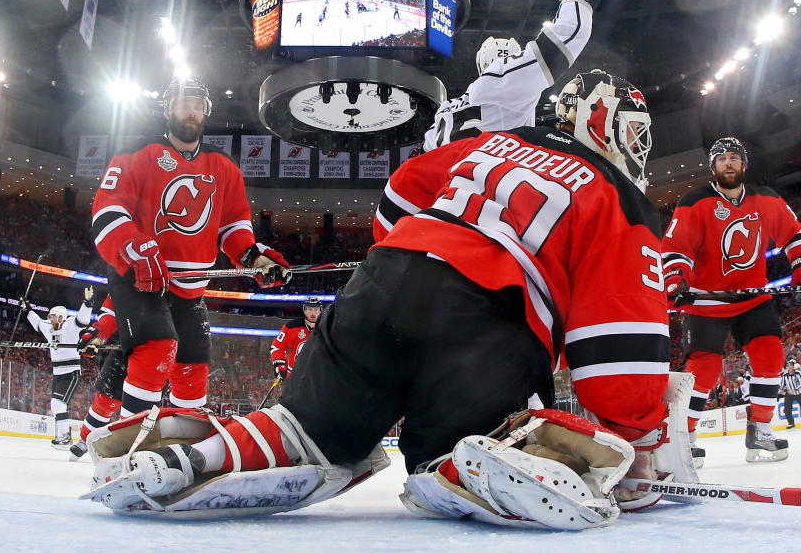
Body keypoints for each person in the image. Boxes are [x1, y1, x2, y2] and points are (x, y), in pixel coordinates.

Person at [84, 70, 698, 529]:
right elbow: (618, 338)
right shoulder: (616, 196)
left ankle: (204, 452)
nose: (637, 147)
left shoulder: (490, 144)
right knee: (461, 445)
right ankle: (466, 461)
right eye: (634, 132)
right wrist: (638, 439)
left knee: (305, 429)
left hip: (379, 288)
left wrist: (408, 261)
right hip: (489, 329)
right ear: (601, 124)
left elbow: (400, 191)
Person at [90, 77, 292, 421]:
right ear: (168, 108)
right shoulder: (135, 154)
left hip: (189, 286)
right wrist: (134, 247)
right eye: (184, 103)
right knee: (157, 349)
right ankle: (124, 446)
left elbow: (234, 227)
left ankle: (183, 444)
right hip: (140, 275)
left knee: (193, 367)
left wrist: (254, 257)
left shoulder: (224, 167)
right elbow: (107, 210)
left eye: (198, 105)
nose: (191, 111)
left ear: (206, 112)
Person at [661, 136, 801, 463]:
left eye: (734, 157)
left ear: (744, 164)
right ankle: (686, 438)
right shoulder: (694, 201)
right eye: (721, 158)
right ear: (713, 167)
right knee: (704, 368)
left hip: (752, 297)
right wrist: (676, 277)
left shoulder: (766, 198)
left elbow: (793, 235)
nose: (728, 162)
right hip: (706, 302)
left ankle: (760, 433)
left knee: (771, 355)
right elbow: (676, 248)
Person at [423, 0, 593, 153]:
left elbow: (426, 151)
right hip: (485, 177)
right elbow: (570, 35)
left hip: (444, 176)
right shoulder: (505, 77)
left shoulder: (448, 108)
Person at [21, 286, 94, 448]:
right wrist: (27, 309)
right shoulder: (48, 326)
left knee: (58, 404)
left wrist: (87, 303)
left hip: (71, 372)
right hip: (58, 372)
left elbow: (83, 319)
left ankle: (65, 437)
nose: (51, 319)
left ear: (61, 317)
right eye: (50, 316)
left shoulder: (71, 325)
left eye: (53, 317)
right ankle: (64, 436)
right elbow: (38, 322)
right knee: (56, 405)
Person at [69, 295, 124, 459]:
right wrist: (97, 336)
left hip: (164, 349)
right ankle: (86, 439)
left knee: (143, 407)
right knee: (106, 398)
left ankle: (132, 448)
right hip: (128, 346)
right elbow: (109, 315)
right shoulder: (123, 277)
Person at [270, 298, 322, 382]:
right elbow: (277, 346)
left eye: (316, 310)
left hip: (320, 377)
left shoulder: (327, 328)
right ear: (304, 311)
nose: (313, 313)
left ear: (320, 311)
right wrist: (280, 364)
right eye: (309, 309)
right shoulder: (292, 327)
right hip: (294, 376)